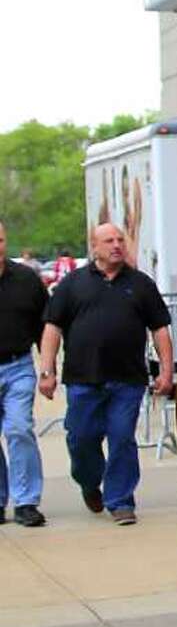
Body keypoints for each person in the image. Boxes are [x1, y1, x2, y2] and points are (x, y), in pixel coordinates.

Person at [37, 223, 175, 526]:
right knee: (81, 439)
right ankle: (89, 481)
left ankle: (121, 500)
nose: (116, 245)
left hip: (127, 380)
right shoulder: (72, 284)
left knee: (122, 438)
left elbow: (160, 329)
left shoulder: (140, 284)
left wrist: (166, 370)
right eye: (108, 241)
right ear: (94, 247)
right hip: (83, 379)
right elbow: (52, 329)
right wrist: (47, 371)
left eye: (119, 240)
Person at [0, 220, 49, 528]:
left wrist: (47, 369)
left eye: (0, 240)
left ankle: (27, 501)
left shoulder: (27, 280)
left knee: (19, 428)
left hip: (19, 366)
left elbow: (47, 326)